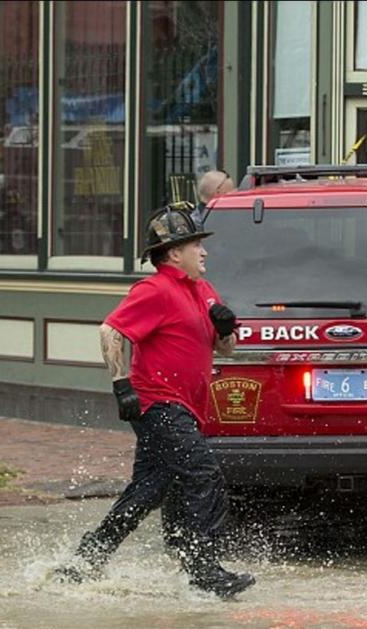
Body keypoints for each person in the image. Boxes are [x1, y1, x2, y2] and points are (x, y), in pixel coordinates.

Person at [55, 204, 255, 600]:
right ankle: (204, 567)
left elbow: (228, 351)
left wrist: (227, 329)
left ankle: (87, 558)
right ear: (173, 253)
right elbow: (110, 332)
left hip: (186, 406)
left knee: (148, 491)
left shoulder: (203, 290)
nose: (205, 252)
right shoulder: (154, 290)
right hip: (157, 404)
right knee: (204, 474)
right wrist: (121, 385)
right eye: (197, 245)